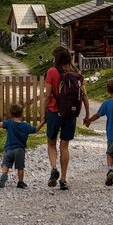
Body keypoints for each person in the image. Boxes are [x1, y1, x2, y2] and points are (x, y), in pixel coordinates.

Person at [40, 45, 89, 191]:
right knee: (65, 146)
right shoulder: (77, 73)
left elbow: (47, 95)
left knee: (51, 143)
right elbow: (84, 95)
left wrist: (43, 114)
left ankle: (54, 168)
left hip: (54, 112)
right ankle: (63, 179)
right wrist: (87, 115)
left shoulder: (52, 72)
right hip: (70, 114)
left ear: (57, 58)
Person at [0, 103, 44, 189]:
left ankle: (4, 174)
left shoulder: (9, 123)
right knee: (20, 167)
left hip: (9, 149)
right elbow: (35, 129)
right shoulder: (25, 125)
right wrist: (43, 122)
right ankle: (20, 182)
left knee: (5, 164)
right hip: (20, 150)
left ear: (10, 114)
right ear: (21, 114)